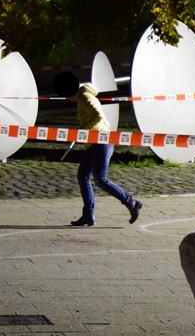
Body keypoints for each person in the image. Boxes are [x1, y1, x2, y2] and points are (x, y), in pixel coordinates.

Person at [52, 71, 142, 227]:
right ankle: (88, 215)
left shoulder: (86, 98)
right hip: (94, 142)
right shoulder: (81, 98)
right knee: (83, 176)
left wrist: (82, 129)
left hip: (102, 140)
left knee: (100, 179)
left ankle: (131, 203)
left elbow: (99, 117)